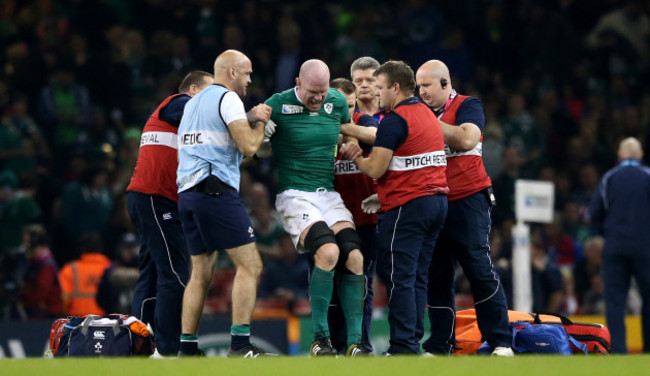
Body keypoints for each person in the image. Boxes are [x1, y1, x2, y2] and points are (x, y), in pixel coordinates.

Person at [341, 60, 448, 355]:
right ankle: (412, 340)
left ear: (395, 88)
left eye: (380, 89)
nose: (377, 95)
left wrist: (355, 157)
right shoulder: (427, 114)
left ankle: (402, 346)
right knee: (416, 276)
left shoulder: (394, 119)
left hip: (408, 207)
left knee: (399, 277)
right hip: (437, 202)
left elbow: (375, 169)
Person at [264, 59, 366, 357]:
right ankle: (320, 339)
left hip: (328, 194)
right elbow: (255, 149)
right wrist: (262, 132)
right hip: (295, 194)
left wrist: (350, 144)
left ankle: (356, 344)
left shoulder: (336, 100)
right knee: (329, 252)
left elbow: (345, 130)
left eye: (323, 92)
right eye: (313, 92)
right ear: (298, 82)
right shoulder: (277, 104)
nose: (319, 99)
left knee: (356, 257)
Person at [176, 50, 272, 357]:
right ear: (230, 73)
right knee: (251, 265)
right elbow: (249, 146)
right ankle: (240, 345)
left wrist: (247, 121)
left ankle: (188, 348)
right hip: (215, 191)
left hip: (189, 194)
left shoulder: (192, 104)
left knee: (201, 271)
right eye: (247, 73)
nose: (249, 80)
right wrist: (260, 124)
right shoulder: (228, 98)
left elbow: (219, 149)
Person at [415, 60, 513, 356]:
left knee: (478, 269)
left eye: (427, 86)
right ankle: (439, 345)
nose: (421, 93)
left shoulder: (469, 105)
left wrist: (423, 122)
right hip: (433, 201)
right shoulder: (419, 112)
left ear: (445, 83)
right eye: (418, 87)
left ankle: (501, 342)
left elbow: (467, 137)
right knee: (438, 276)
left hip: (469, 199)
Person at [126, 70, 213, 357]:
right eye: (209, 92)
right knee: (175, 274)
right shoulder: (176, 103)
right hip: (155, 199)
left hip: (152, 199)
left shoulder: (187, 123)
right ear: (192, 89)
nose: (215, 99)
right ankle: (169, 348)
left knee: (152, 274)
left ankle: (138, 343)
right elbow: (204, 112)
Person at [330, 77, 378, 354]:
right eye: (339, 105)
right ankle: (334, 345)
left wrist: (346, 132)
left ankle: (361, 344)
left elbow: (376, 136)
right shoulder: (318, 125)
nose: (346, 110)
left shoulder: (364, 121)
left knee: (363, 285)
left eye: (350, 105)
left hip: (365, 220)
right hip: (330, 218)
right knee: (332, 285)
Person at [589, 137, 650, 353]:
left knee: (615, 301)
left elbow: (595, 212)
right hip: (645, 247)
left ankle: (618, 351)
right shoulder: (647, 176)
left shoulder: (609, 178)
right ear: (640, 155)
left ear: (620, 155)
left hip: (615, 246)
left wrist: (601, 232)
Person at [58, 232, 112, 316]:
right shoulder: (111, 268)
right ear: (101, 248)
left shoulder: (70, 269)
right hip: (106, 320)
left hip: (78, 321)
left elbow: (64, 299)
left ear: (82, 249)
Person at [20, 224, 63, 319]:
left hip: (47, 316)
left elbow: (41, 293)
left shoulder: (46, 265)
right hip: (40, 313)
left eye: (26, 240)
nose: (24, 244)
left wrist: (22, 297)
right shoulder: (34, 263)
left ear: (34, 241)